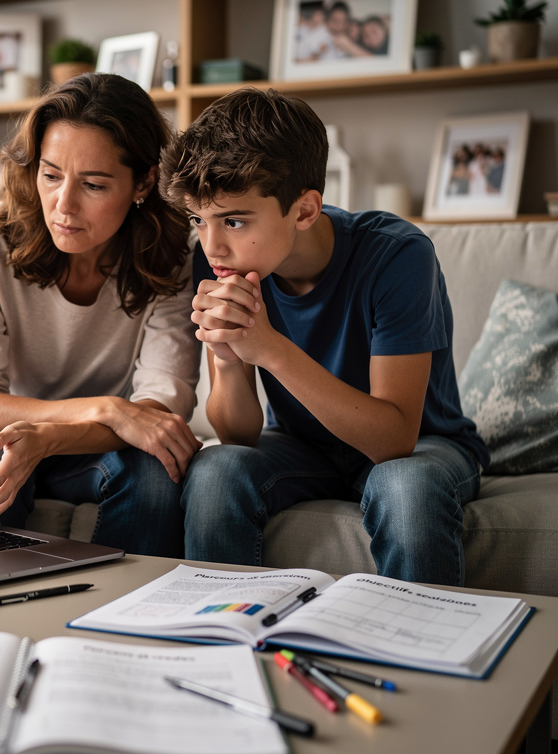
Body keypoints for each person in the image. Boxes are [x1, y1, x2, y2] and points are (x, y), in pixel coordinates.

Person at [159, 87, 488, 586]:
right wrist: (226, 357)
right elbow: (238, 436)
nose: (212, 245)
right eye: (198, 220)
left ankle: (419, 636)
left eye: (234, 220)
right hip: (302, 447)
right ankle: (224, 628)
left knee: (406, 488)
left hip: (423, 444)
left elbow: (394, 441)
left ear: (305, 210)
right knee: (215, 470)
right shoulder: (221, 261)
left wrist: (270, 349)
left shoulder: (397, 256)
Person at [0, 73, 201, 557]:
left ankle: (126, 601)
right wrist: (109, 408)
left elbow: (161, 409)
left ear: (144, 182)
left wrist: (53, 437)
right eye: (51, 175)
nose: (64, 205)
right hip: (9, 437)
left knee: (155, 466)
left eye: (94, 184)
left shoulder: (176, 252)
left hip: (99, 447)